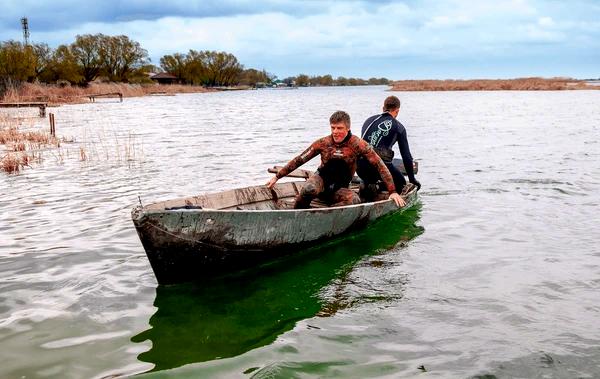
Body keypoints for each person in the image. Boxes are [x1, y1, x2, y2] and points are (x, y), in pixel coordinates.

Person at [266, 110, 405, 208]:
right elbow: (299, 159)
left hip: (339, 189)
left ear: (348, 128)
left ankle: (328, 216)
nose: (335, 132)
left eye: (339, 128)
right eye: (333, 128)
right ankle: (298, 212)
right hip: (320, 182)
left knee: (354, 200)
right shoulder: (323, 143)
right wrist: (277, 177)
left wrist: (392, 192)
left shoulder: (358, 145)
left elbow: (380, 166)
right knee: (308, 188)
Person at [357, 96, 421, 201]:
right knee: (401, 183)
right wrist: (412, 179)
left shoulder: (368, 120)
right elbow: (406, 157)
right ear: (397, 111)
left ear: (383, 108)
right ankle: (378, 186)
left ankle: (369, 184)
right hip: (381, 168)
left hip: (360, 168)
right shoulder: (399, 127)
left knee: (369, 169)